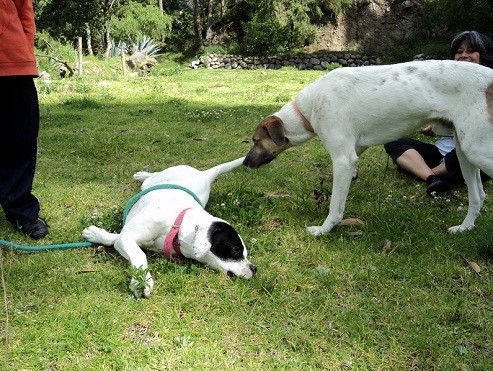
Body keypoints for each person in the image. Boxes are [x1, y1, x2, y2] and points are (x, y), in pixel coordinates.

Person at [384, 30, 493, 195]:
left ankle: (427, 172)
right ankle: (432, 179)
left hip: (471, 152)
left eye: (470, 51)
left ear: (484, 55)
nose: (464, 55)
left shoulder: (488, 87)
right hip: (441, 152)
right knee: (392, 139)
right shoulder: (446, 85)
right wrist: (434, 125)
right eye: (459, 51)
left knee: (468, 152)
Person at [0, 0, 49, 239]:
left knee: (20, 141)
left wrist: (24, 55)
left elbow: (24, 13)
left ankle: (22, 212)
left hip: (13, 65)